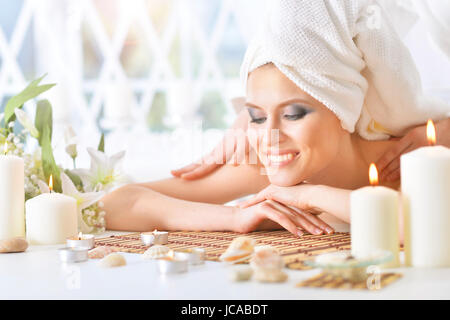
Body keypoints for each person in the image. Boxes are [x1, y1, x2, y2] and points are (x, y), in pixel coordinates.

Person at [103, 0, 450, 237]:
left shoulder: (407, 161)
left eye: (294, 114)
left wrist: (312, 196)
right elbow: (117, 203)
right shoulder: (264, 168)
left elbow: (425, 228)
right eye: (255, 117)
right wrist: (235, 218)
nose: (269, 136)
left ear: (343, 111)